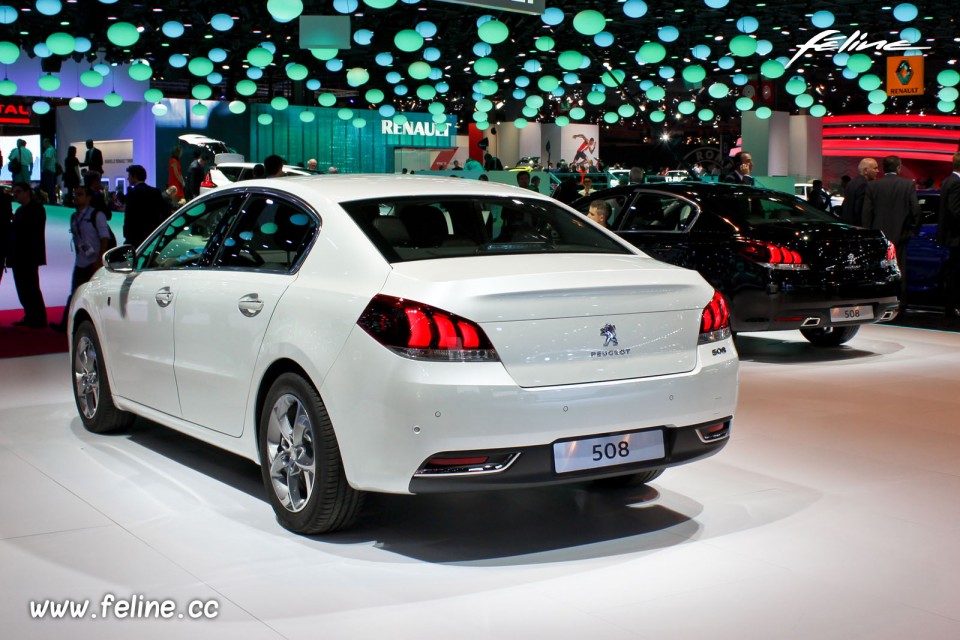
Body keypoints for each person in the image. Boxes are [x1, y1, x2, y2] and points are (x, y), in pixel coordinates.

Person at [50, 186, 113, 333]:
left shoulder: (97, 215)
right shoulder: (74, 217)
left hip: (95, 262)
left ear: (89, 197)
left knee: (96, 294)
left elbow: (105, 237)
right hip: (81, 262)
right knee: (75, 293)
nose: (76, 197)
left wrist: (100, 259)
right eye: (75, 194)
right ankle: (67, 325)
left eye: (79, 194)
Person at [862, 155, 921, 305]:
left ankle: (879, 303)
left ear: (883, 168)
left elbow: (867, 213)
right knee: (900, 271)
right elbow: (916, 210)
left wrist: (868, 235)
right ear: (898, 168)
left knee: (878, 271)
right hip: (900, 236)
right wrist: (914, 230)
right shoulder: (907, 185)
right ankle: (900, 304)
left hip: (879, 238)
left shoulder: (873, 186)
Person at [7, 183, 47, 329]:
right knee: (24, 288)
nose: (15, 194)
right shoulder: (21, 211)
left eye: (18, 191)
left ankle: (38, 317)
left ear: (27, 192)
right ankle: (31, 315)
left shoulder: (36, 209)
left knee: (31, 287)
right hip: (19, 255)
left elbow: (28, 230)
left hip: (28, 255)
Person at [938, 152, 960, 324]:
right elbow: (954, 211)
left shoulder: (948, 181)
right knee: (954, 275)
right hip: (956, 237)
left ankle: (951, 307)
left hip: (951, 237)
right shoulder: (956, 183)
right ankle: (952, 308)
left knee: (953, 274)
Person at [123, 165, 169, 248]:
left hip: (135, 235)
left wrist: (127, 234)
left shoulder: (133, 193)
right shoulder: (155, 192)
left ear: (135, 176)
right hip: (152, 234)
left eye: (129, 176)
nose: (128, 178)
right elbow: (165, 210)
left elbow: (129, 216)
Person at [841, 157, 879, 226]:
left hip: (847, 224)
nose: (877, 171)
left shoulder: (851, 183)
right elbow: (860, 210)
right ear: (865, 171)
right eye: (875, 168)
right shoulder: (864, 185)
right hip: (857, 227)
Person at [40, 138, 58, 204]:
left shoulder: (49, 150)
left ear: (47, 142)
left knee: (50, 186)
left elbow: (47, 159)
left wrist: (44, 167)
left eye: (44, 143)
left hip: (48, 169)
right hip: (51, 170)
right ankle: (52, 200)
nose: (43, 145)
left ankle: (52, 200)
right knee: (51, 186)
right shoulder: (53, 149)